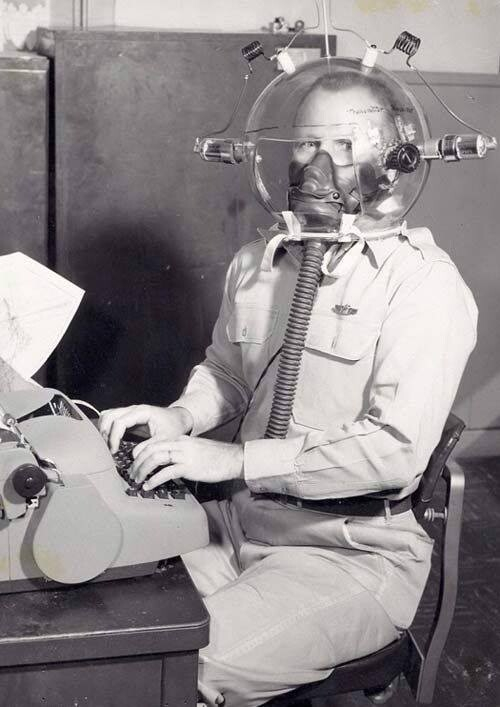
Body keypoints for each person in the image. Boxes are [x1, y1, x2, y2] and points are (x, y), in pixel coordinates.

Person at [99, 69, 478, 707]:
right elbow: (227, 371)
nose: (318, 166)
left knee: (183, 667)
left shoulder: (425, 289)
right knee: (104, 628)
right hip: (235, 523)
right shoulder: (258, 262)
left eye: (345, 145)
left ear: (392, 162)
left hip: (352, 554)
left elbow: (395, 450)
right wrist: (179, 418)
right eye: (305, 145)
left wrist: (234, 459)